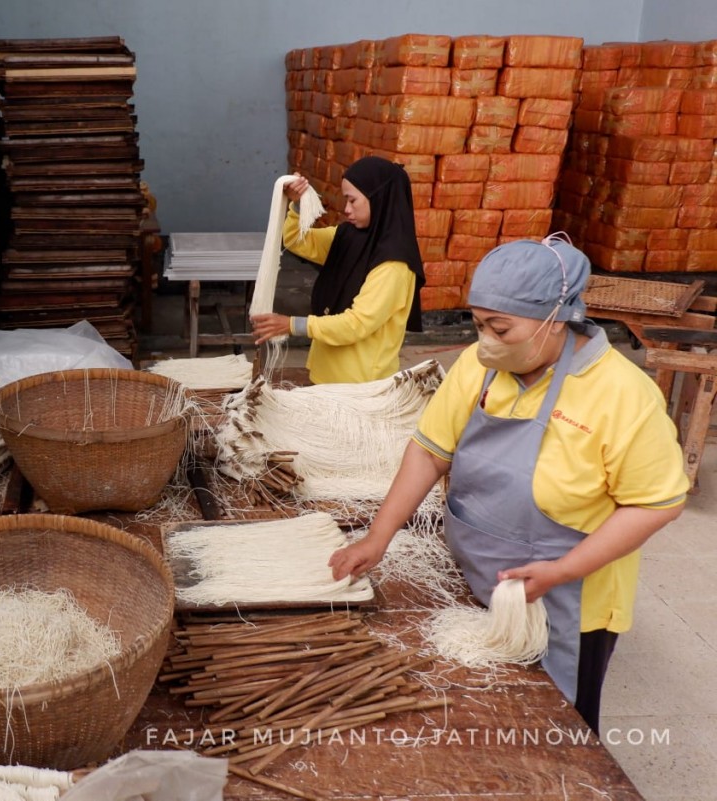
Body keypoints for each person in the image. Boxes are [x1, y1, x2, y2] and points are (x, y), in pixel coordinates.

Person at [328, 235, 688, 733]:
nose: (486, 341)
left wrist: (563, 570)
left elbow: (655, 505)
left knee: (551, 733)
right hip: (477, 576)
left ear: (555, 319)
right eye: (478, 325)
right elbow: (430, 451)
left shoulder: (623, 395)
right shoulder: (481, 369)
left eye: (500, 328)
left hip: (566, 598)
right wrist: (379, 535)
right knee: (479, 715)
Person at [250, 156, 426, 384]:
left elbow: (356, 324)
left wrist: (291, 324)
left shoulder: (394, 265)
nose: (346, 209)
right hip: (326, 376)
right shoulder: (348, 237)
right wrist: (297, 204)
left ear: (378, 199)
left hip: (360, 385)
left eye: (353, 201)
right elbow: (295, 240)